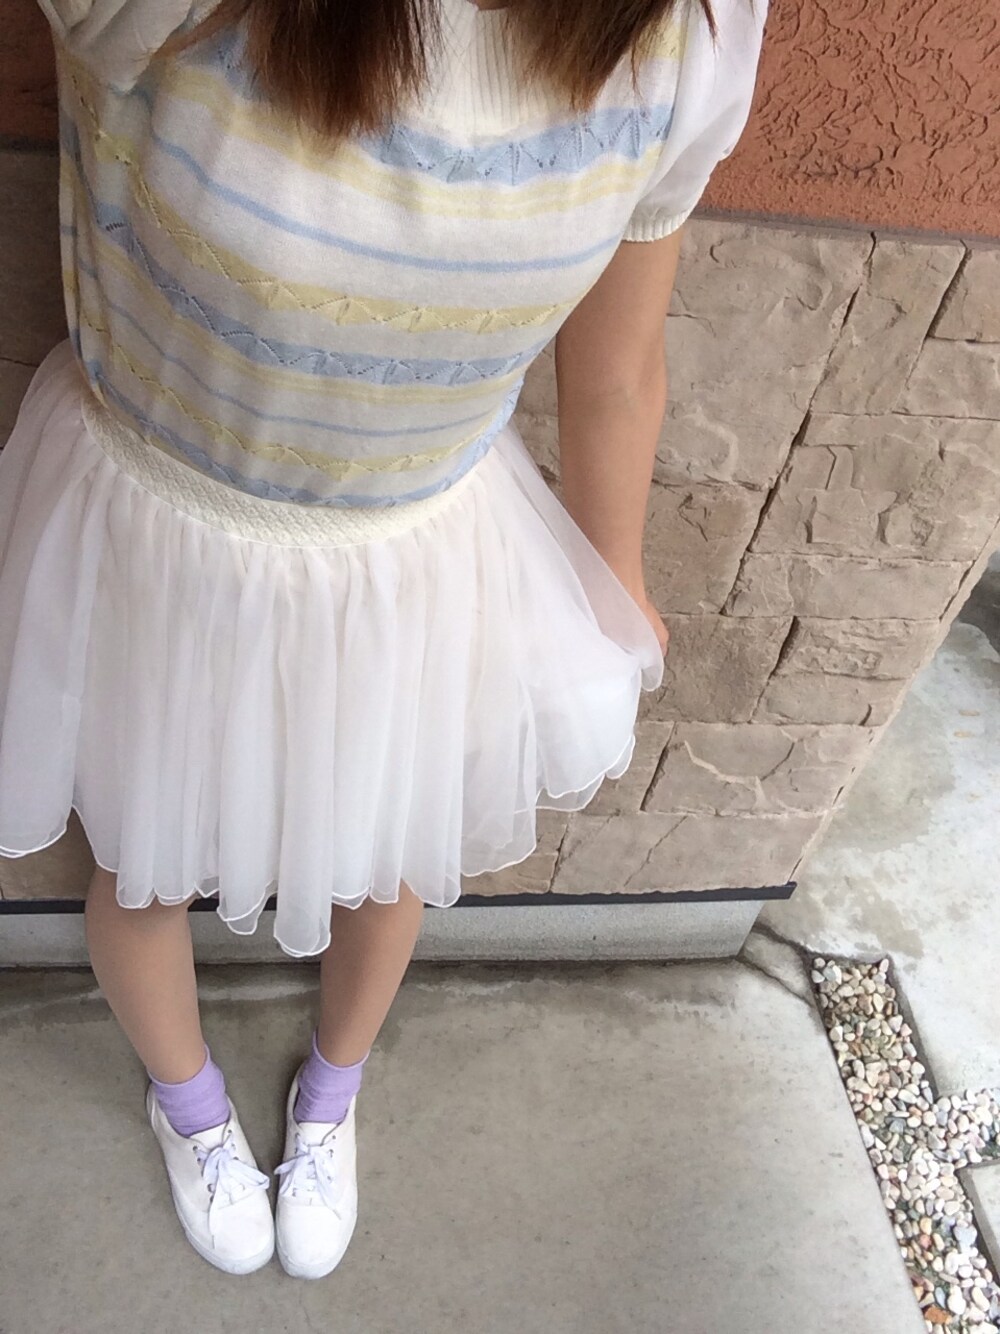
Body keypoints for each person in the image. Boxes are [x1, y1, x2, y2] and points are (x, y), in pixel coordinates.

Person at [0, 0, 767, 1280]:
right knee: (139, 859)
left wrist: (613, 571)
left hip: (417, 560)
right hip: (166, 530)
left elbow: (616, 365)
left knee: (389, 854)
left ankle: (332, 1096)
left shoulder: (683, 34)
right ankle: (188, 1105)